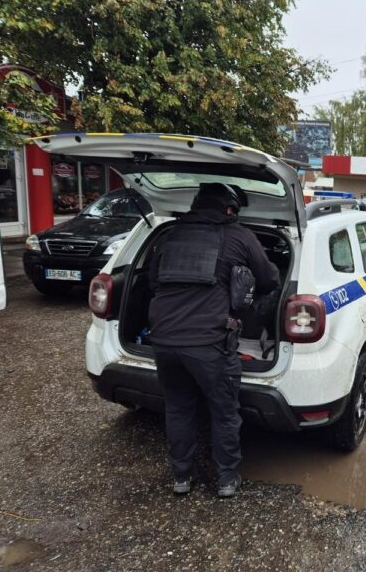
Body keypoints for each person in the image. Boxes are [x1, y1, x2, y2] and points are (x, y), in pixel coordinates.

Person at [148, 182, 279, 497]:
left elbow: (152, 281)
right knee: (223, 412)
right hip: (209, 344)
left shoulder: (169, 235)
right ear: (231, 210)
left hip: (163, 340)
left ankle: (182, 478)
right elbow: (270, 279)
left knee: (178, 408)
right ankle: (226, 480)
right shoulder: (239, 236)